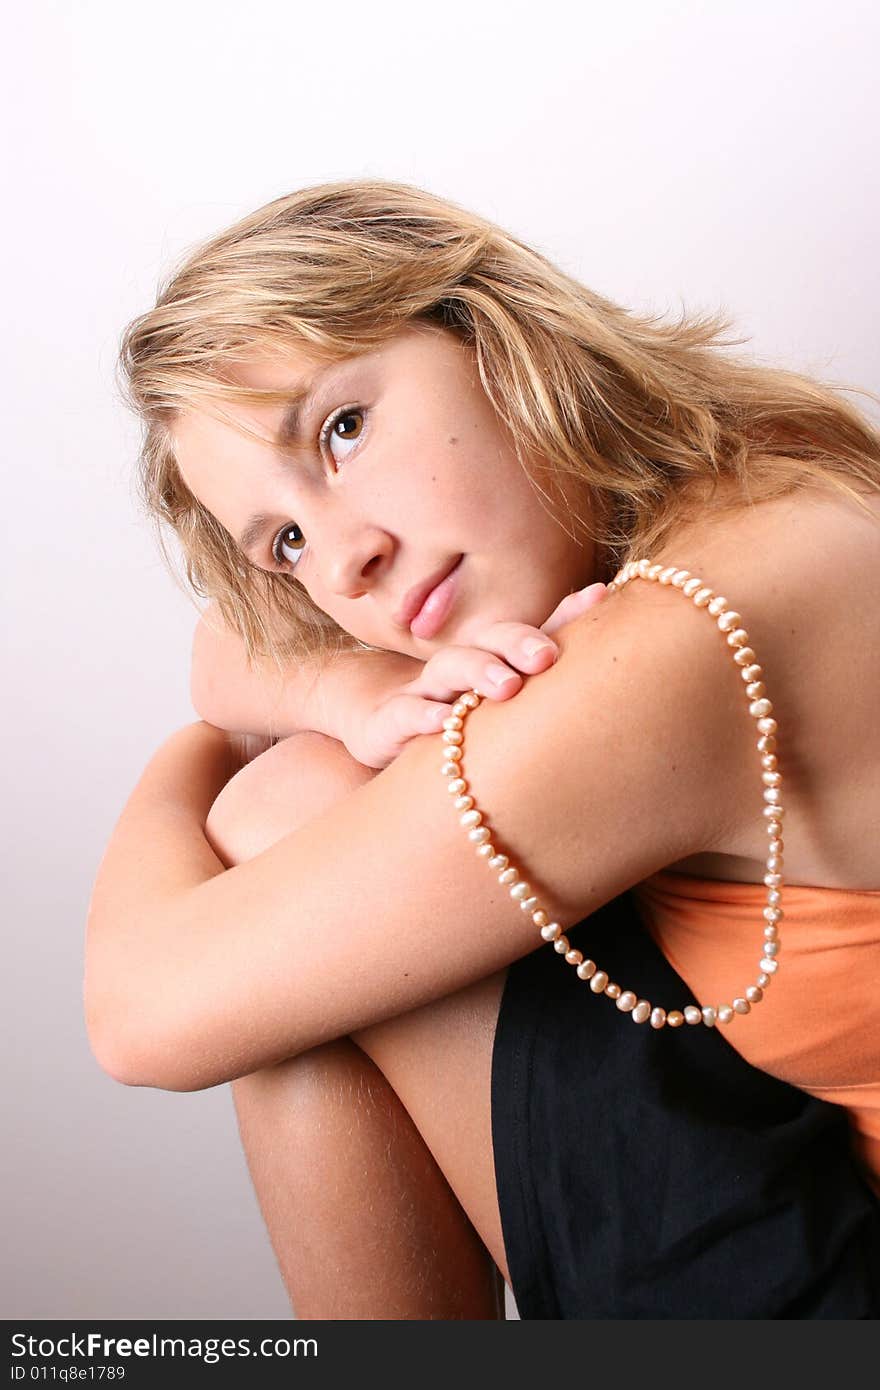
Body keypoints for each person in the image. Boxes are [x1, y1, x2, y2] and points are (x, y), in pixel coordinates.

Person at [85, 179, 880, 1319]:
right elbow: (231, 643)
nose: (340, 564)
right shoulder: (735, 484)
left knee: (281, 822)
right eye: (286, 540)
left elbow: (140, 1017)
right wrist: (352, 689)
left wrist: (191, 758)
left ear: (488, 326)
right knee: (297, 923)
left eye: (341, 428)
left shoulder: (685, 633)